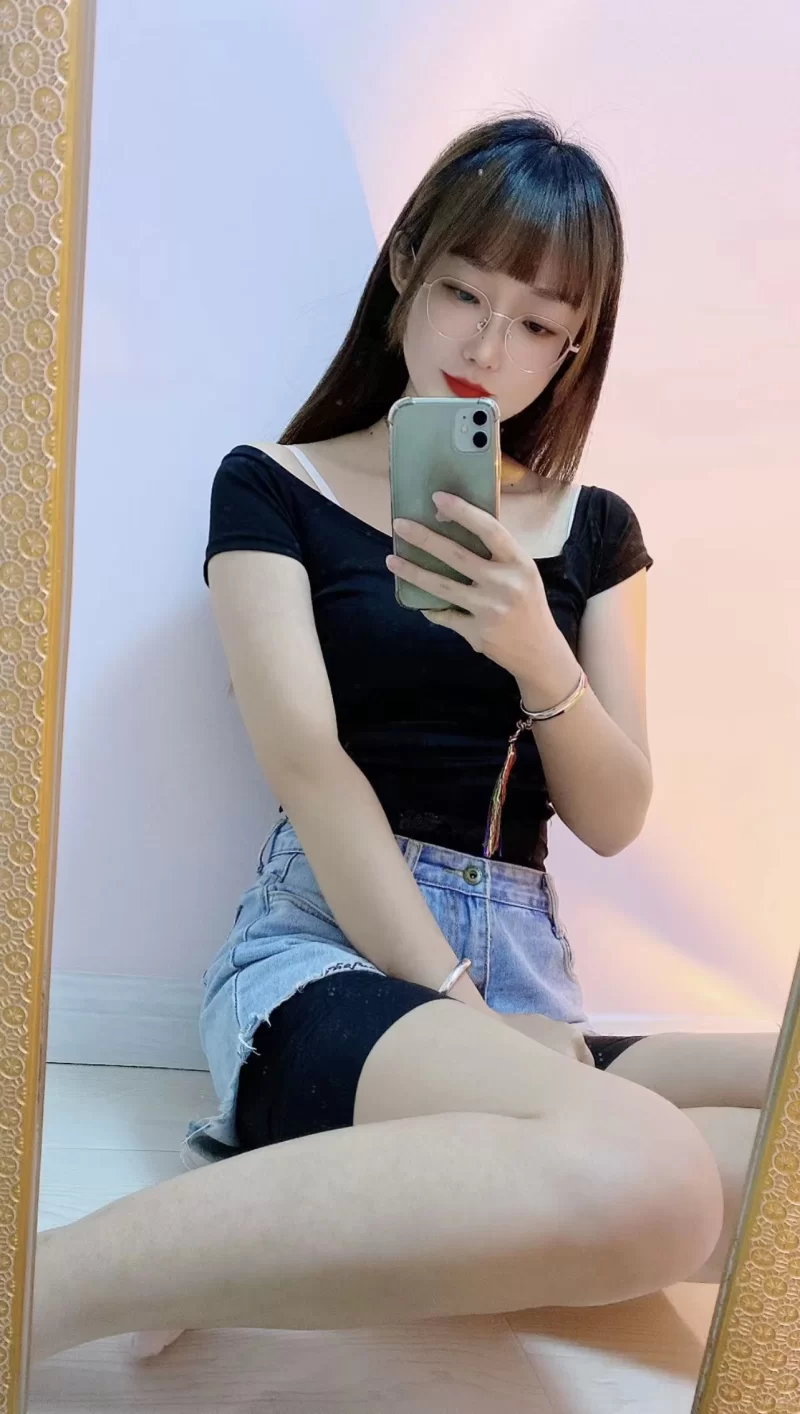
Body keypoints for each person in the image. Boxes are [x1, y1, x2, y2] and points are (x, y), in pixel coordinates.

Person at [32, 112, 772, 1366]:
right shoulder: (273, 485)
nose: (486, 347)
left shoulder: (594, 528)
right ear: (405, 273)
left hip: (525, 980)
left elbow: (613, 814)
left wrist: (536, 648)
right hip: (332, 945)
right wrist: (454, 1004)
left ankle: (287, 1225)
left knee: (760, 1130)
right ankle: (56, 1283)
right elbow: (307, 764)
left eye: (535, 323)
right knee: (659, 1177)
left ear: (574, 345)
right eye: (464, 294)